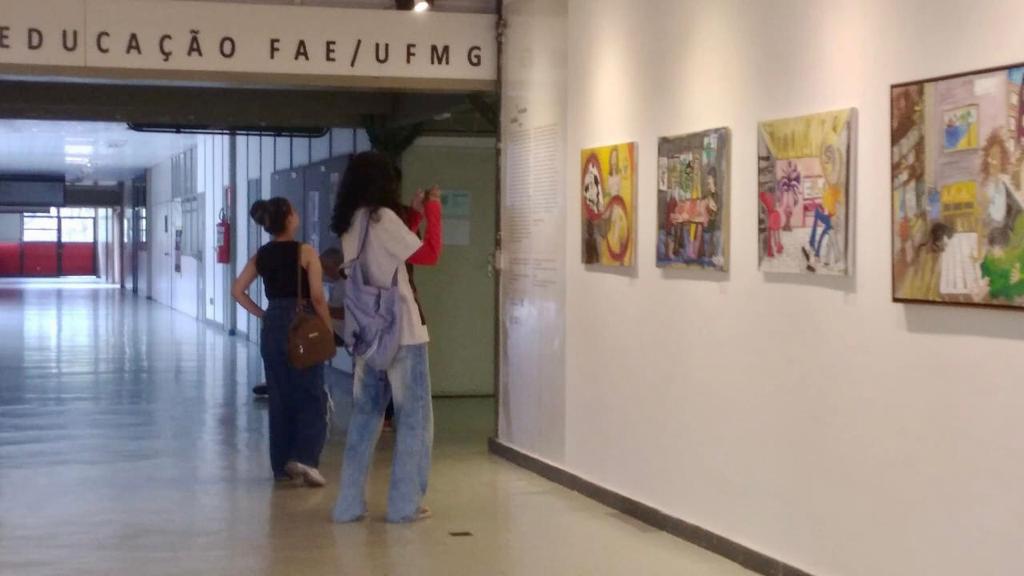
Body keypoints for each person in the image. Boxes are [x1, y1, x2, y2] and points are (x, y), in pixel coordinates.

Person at [330, 151, 442, 524]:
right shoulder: (382, 217)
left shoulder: (351, 222)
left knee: (365, 417)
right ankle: (404, 504)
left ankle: (348, 504)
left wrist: (413, 215)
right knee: (414, 418)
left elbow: (389, 250)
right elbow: (428, 254)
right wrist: (433, 211)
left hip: (367, 334)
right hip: (403, 331)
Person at [232, 197, 333, 487]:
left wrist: (263, 314)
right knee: (311, 394)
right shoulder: (306, 251)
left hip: (273, 324)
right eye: (294, 210)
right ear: (289, 218)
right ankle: (306, 458)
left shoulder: (262, 255)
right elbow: (317, 297)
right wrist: (326, 330)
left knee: (280, 396)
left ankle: (281, 465)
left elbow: (237, 290)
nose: (297, 214)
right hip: (302, 324)